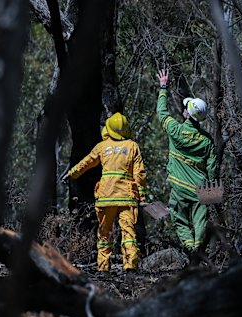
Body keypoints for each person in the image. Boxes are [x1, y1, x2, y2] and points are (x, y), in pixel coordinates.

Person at [62, 113, 147, 273]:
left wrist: (71, 174)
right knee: (128, 232)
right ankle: (130, 266)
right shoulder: (132, 146)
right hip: (126, 198)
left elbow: (86, 162)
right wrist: (141, 196)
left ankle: (103, 268)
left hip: (105, 197)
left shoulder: (102, 147)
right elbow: (139, 174)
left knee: (104, 234)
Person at [155, 69, 216, 258]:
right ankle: (199, 250)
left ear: (188, 115)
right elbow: (212, 169)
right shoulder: (207, 141)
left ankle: (190, 249)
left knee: (179, 219)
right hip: (200, 187)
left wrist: (163, 88)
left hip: (179, 188)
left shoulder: (176, 130)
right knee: (201, 221)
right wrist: (211, 192)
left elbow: (162, 113)